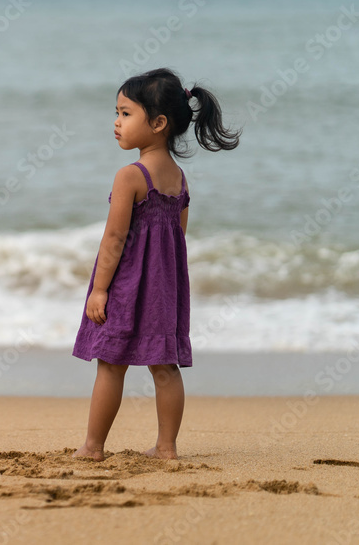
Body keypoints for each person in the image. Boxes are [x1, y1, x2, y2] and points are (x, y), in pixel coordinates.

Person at [71, 68, 241, 461]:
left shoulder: (130, 176)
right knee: (165, 369)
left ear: (159, 123)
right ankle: (167, 447)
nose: (116, 122)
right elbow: (177, 238)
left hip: (128, 286)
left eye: (126, 113)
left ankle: (93, 447)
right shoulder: (178, 179)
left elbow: (114, 240)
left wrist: (99, 289)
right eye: (116, 112)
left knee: (111, 365)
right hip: (165, 290)